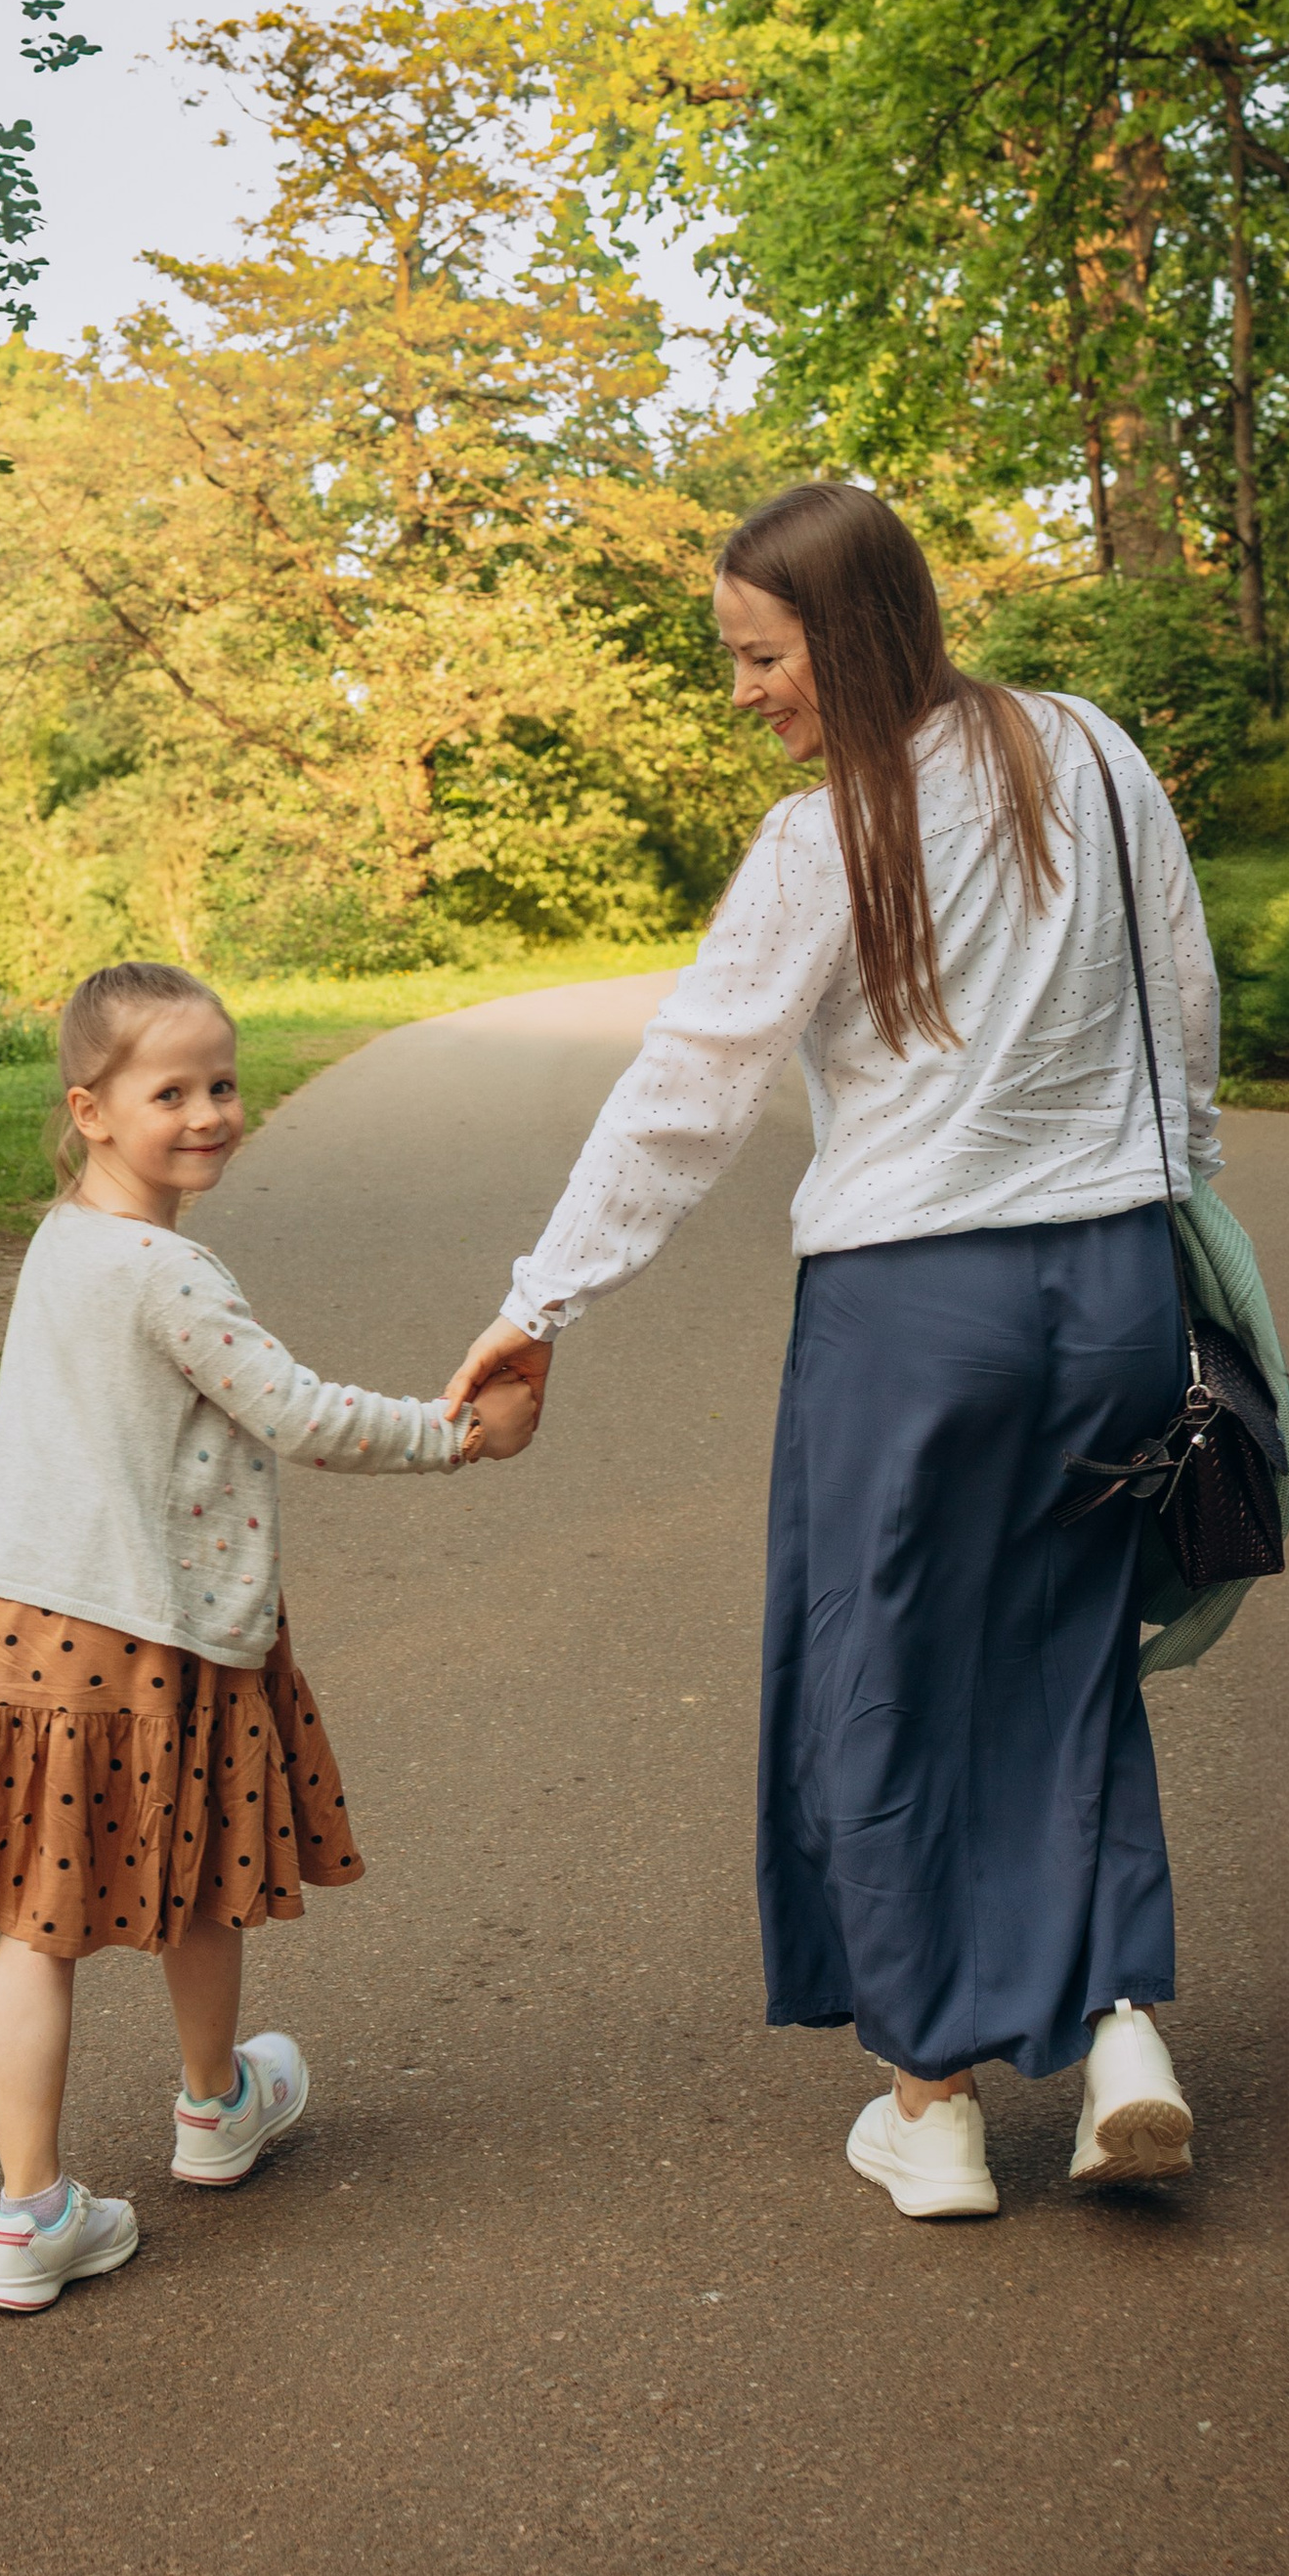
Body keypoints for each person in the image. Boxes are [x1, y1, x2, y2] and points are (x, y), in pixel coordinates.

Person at [444, 483, 1221, 2224]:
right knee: (1064, 1655)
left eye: (761, 656)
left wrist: (542, 1299)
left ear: (848, 635)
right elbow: (1182, 1004)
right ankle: (1118, 2029)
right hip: (1112, 1292)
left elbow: (687, 1093)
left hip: (913, 1317)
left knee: (876, 1675)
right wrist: (1184, 1221)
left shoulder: (831, 835)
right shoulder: (1090, 750)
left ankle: (931, 2106)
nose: (744, 692)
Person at [0, 958, 538, 2309]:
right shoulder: (166, 1273)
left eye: (222, 1084)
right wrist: (457, 1435)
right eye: (168, 1090)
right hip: (148, 1636)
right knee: (204, 1873)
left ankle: (29, 2209)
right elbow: (296, 1412)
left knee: (35, 1927)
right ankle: (209, 2103)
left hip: (13, 1623)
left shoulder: (65, 1243)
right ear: (91, 1109)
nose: (208, 1113)